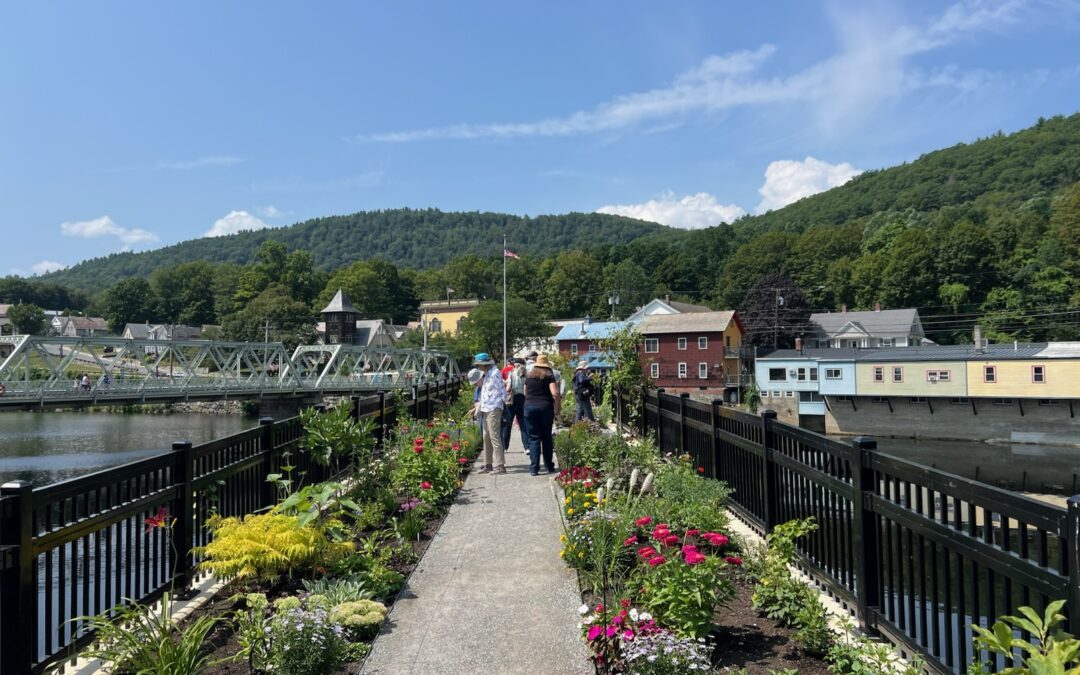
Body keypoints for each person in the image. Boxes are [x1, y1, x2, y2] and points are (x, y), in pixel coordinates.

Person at [468, 353, 507, 474]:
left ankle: (500, 465)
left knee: (494, 436)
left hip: (494, 407)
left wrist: (505, 403)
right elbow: (484, 392)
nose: (478, 367)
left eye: (479, 365)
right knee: (486, 436)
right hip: (486, 407)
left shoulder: (495, 373)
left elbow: (501, 390)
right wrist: (478, 407)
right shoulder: (485, 374)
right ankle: (488, 464)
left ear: (484, 364)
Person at [523, 354, 560, 476]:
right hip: (545, 408)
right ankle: (549, 466)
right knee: (546, 437)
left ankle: (534, 468)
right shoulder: (549, 376)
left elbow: (525, 392)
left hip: (529, 408)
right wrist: (557, 407)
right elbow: (555, 393)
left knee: (533, 438)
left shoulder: (528, 377)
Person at [503, 358, 529, 452]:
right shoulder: (527, 374)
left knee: (508, 424)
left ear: (515, 365)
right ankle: (527, 447)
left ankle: (505, 447)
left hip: (512, 400)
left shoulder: (511, 374)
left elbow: (508, 388)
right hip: (523, 399)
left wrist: (504, 383)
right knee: (523, 424)